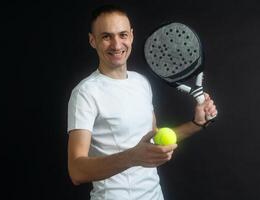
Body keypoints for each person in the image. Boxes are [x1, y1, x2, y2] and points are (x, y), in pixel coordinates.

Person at [67, 4, 217, 200]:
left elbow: (153, 141)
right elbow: (77, 171)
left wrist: (196, 124)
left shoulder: (141, 82)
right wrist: (132, 157)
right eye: (106, 36)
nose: (116, 44)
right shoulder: (85, 93)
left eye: (122, 35)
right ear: (92, 40)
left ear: (131, 35)